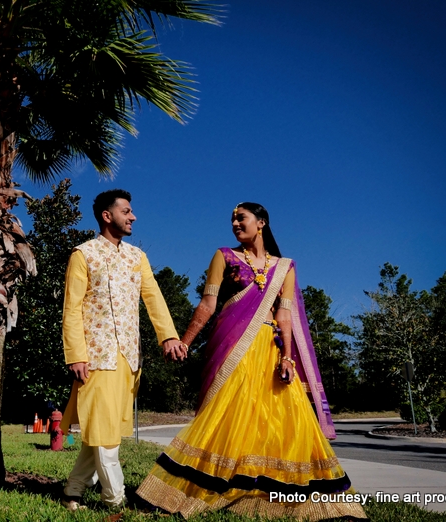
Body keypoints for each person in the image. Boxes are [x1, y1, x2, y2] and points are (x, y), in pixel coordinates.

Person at [136, 202, 367, 520]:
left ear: (261, 223)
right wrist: (184, 341)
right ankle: (196, 488)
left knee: (279, 417)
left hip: (268, 347)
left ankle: (274, 491)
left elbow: (285, 315)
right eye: (231, 219)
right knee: (228, 412)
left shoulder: (285, 266)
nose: (234, 223)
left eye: (240, 218)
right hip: (233, 345)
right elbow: (208, 303)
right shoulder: (224, 256)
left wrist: (288, 356)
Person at [59, 189, 186, 511]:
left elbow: (153, 298)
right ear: (107, 215)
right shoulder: (83, 254)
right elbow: (71, 309)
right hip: (95, 357)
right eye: (126, 211)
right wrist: (76, 354)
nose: (133, 217)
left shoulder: (136, 257)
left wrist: (168, 337)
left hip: (129, 357)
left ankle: (72, 492)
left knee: (106, 429)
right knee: (104, 433)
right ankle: (115, 500)